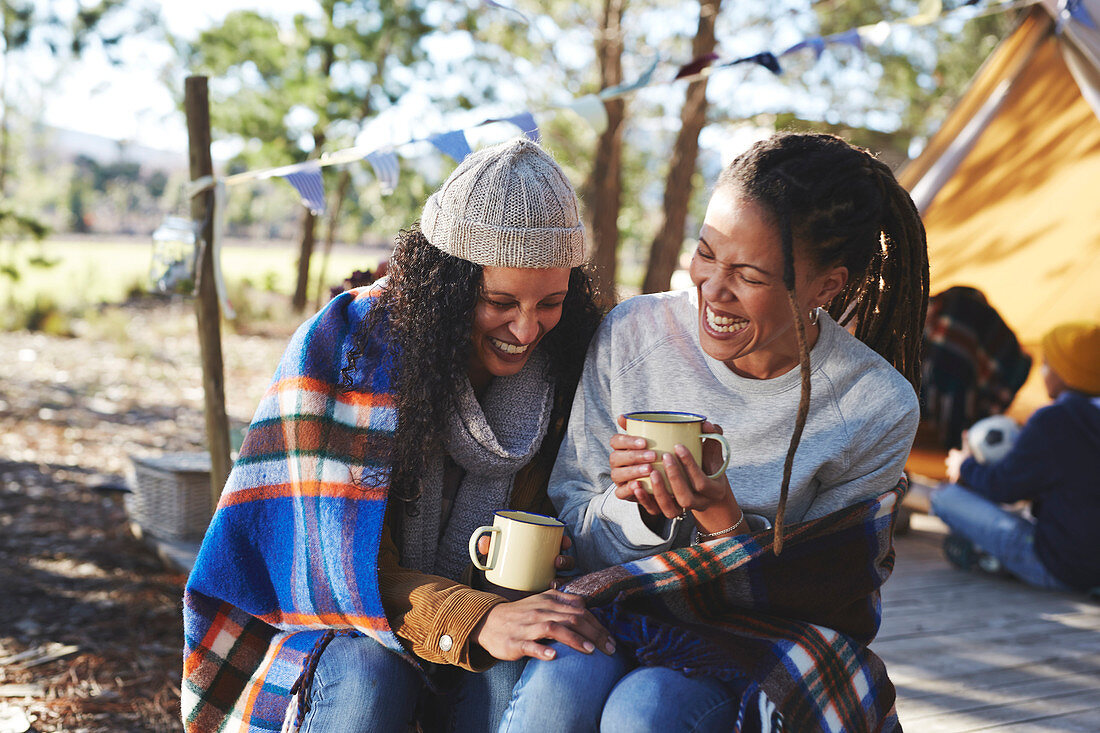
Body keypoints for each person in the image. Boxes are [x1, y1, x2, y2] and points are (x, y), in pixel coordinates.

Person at [498, 132, 929, 732]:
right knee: (564, 675)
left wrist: (723, 521)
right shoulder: (633, 334)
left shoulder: (872, 404)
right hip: (615, 604)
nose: (712, 290)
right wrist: (639, 513)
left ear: (825, 287)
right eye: (706, 253)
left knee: (645, 708)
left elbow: (834, 592)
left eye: (749, 274)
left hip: (750, 640)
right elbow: (570, 529)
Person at [181, 138, 613, 733]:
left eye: (552, 303)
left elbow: (564, 530)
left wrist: (555, 551)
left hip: (483, 633)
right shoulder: (348, 350)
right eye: (499, 301)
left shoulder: (570, 369)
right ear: (447, 285)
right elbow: (338, 570)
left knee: (541, 655)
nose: (526, 327)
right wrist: (473, 616)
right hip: (337, 631)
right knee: (368, 674)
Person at [932, 321, 1100, 593]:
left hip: (1064, 568)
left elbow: (1003, 488)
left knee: (944, 497)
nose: (1043, 371)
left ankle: (998, 559)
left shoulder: (1055, 420)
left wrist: (965, 466)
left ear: (1066, 372)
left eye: (1048, 363)